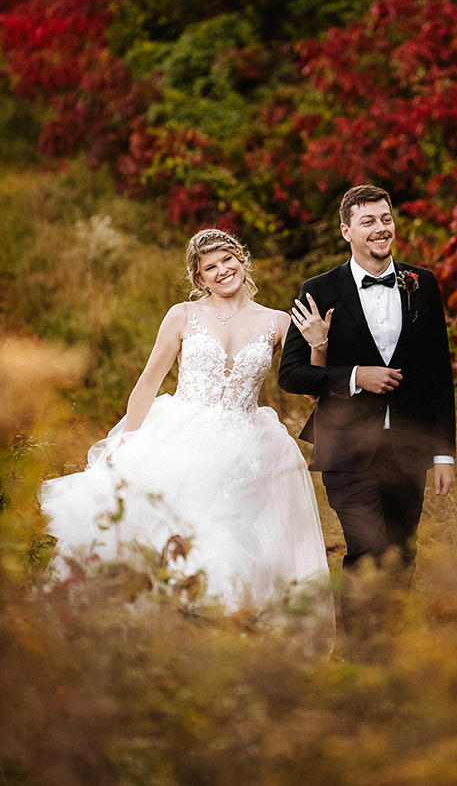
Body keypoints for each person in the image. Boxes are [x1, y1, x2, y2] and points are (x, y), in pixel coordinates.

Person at [40, 229, 335, 645]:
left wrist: (318, 344)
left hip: (247, 445)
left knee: (228, 542)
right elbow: (148, 383)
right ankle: (148, 635)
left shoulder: (277, 322)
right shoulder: (182, 316)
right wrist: (129, 441)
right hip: (181, 433)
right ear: (199, 279)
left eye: (227, 260)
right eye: (209, 267)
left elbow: (311, 387)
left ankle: (217, 638)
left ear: (242, 260)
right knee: (155, 532)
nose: (222, 271)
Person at [278, 184, 456, 583]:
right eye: (368, 221)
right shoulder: (318, 290)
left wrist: (444, 454)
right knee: (367, 549)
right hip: (347, 448)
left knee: (401, 554)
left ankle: (391, 645)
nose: (380, 229)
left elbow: (438, 374)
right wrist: (357, 376)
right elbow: (290, 374)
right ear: (347, 231)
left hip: (409, 446)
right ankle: (360, 645)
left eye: (386, 219)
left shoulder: (421, 284)